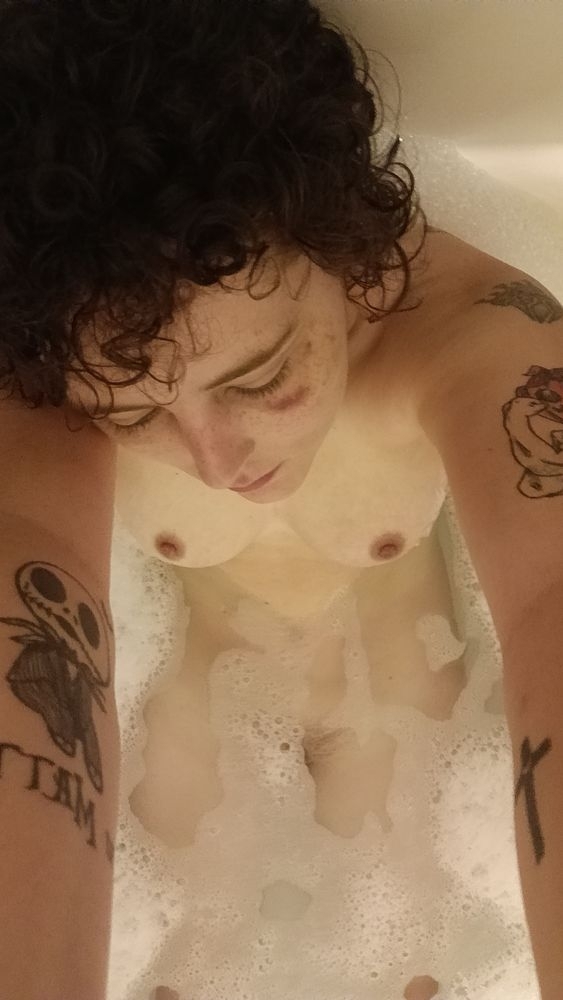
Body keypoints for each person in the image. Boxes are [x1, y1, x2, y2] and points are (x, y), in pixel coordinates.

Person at [1, 2, 560, 999]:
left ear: (348, 254)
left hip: (404, 693)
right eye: (135, 416)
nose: (213, 461)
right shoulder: (62, 352)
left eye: (259, 379)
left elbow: (551, 597)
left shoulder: (479, 340)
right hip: (197, 713)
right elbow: (28, 590)